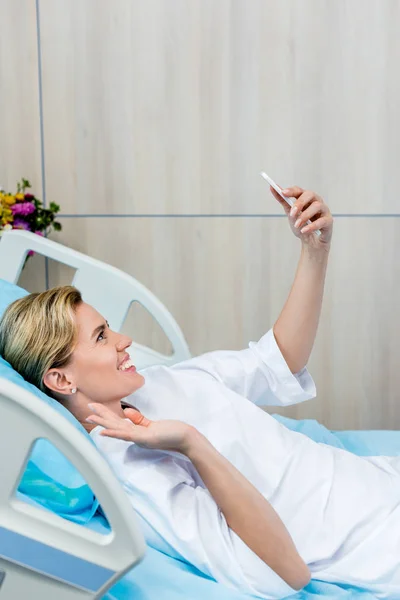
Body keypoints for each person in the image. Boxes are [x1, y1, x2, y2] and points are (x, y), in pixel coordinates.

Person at [1, 185, 399, 600]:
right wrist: (194, 445)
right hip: (377, 542)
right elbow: (282, 573)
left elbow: (276, 361)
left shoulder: (161, 381)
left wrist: (314, 251)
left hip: (380, 482)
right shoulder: (129, 466)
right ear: (61, 380)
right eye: (101, 337)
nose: (124, 339)